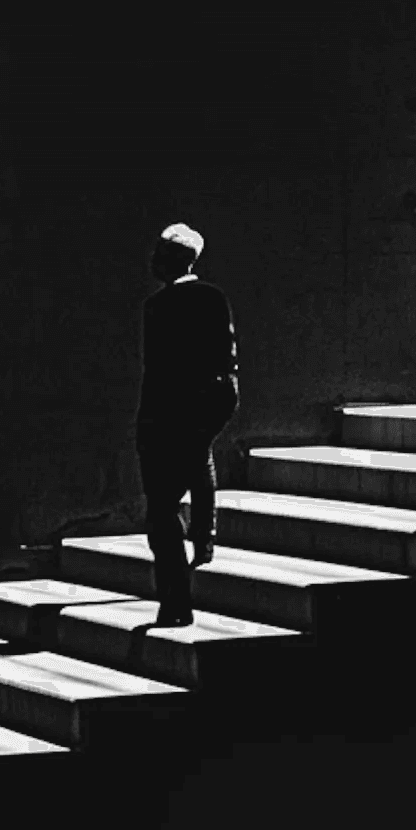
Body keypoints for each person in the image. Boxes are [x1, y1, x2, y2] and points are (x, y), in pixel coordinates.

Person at [135, 223, 239, 627]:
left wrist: (147, 425)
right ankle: (204, 535)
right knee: (199, 456)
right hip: (206, 406)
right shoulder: (214, 298)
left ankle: (175, 602)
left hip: (170, 414)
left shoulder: (157, 308)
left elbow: (156, 372)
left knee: (161, 513)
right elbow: (224, 357)